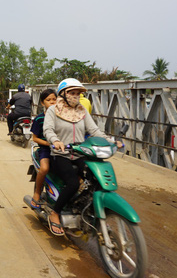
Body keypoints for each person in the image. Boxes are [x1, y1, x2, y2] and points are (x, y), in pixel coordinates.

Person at [43, 78, 123, 236]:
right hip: (61, 153)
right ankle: (55, 213)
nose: (76, 96)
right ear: (63, 94)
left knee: (94, 178)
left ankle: (87, 208)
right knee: (72, 183)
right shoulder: (53, 110)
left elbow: (94, 131)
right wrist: (55, 141)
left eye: (78, 93)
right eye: (72, 93)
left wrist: (111, 141)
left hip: (80, 152)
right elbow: (48, 129)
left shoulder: (82, 111)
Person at [30, 89, 58, 209]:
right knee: (44, 168)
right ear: (42, 103)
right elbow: (35, 138)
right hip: (46, 149)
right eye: (48, 100)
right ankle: (37, 192)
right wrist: (48, 144)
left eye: (54, 99)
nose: (52, 102)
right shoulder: (39, 119)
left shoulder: (62, 117)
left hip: (61, 149)